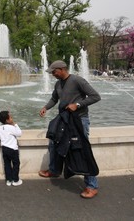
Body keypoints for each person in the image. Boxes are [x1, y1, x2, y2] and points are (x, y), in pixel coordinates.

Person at [38, 60, 101, 199]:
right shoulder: (58, 83)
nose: (52, 75)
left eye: (54, 72)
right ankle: (54, 170)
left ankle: (92, 185)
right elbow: (54, 98)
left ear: (61, 69)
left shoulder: (78, 80)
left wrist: (77, 104)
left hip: (79, 120)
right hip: (64, 119)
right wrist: (45, 107)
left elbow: (96, 96)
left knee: (82, 150)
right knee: (53, 143)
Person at [0, 110, 22, 186]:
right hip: (13, 149)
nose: (12, 118)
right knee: (16, 164)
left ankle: (9, 180)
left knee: (7, 164)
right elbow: (19, 133)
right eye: (10, 117)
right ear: (7, 120)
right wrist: (15, 125)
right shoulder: (11, 127)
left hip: (4, 149)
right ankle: (15, 180)